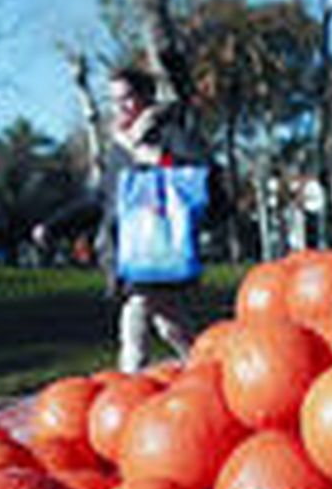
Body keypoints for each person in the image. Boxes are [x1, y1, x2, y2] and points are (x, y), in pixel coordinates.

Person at [32, 66, 217, 372]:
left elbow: (204, 173)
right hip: (126, 253)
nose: (121, 106)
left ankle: (130, 386)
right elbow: (100, 199)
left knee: (137, 321)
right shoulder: (119, 147)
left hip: (158, 246)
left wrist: (160, 161)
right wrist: (54, 225)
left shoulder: (170, 134)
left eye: (128, 97)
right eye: (115, 100)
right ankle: (207, 368)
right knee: (170, 324)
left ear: (146, 96)